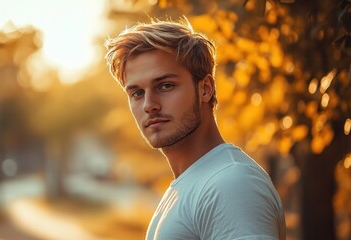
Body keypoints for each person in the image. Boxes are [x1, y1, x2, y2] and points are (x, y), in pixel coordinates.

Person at [105, 18, 286, 240]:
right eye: (137, 93)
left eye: (165, 86)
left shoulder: (231, 182)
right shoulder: (192, 184)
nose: (149, 104)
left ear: (205, 89)